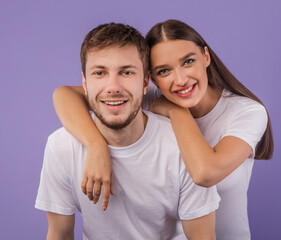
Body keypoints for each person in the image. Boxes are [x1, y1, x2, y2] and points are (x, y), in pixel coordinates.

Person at [53, 20, 274, 240]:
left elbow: (205, 173)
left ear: (205, 56)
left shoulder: (247, 112)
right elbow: (64, 95)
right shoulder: (147, 96)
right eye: (164, 70)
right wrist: (96, 146)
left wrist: (177, 113)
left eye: (188, 61)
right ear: (152, 78)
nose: (180, 80)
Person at [35, 22, 220, 240]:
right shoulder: (61, 147)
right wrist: (97, 146)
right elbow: (60, 234)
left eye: (126, 72)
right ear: (84, 83)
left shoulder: (182, 147)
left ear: (145, 83)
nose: (113, 87)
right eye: (99, 73)